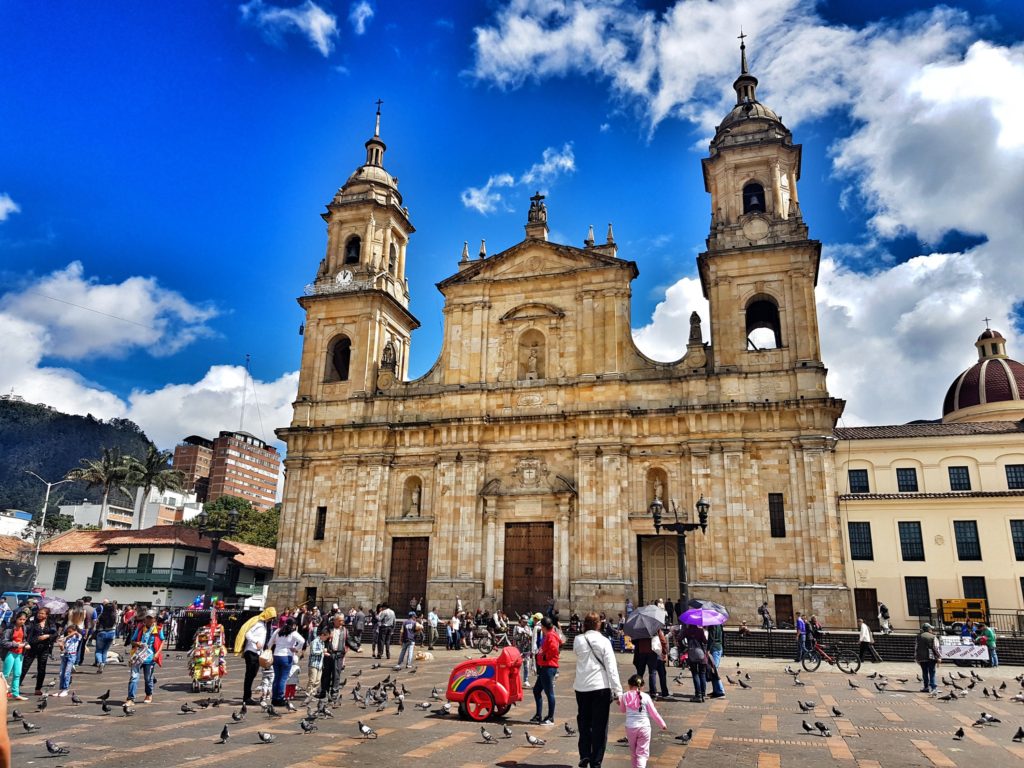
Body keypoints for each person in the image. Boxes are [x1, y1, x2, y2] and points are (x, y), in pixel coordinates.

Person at [574, 610, 623, 768]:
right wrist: (618, 692)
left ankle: (584, 754)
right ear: (598, 624)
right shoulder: (604, 641)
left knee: (584, 722)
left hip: (581, 687)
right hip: (600, 687)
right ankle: (596, 762)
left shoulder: (577, 640)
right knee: (600, 726)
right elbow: (611, 668)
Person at [619, 674, 667, 768]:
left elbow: (623, 710)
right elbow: (654, 713)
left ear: (629, 685)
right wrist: (662, 724)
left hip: (630, 727)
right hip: (644, 727)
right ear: (642, 686)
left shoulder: (624, 696)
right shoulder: (646, 697)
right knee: (642, 753)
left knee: (633, 753)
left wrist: (620, 703)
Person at [235, 606, 275, 705]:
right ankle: (246, 697)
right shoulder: (258, 622)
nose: (271, 620)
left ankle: (247, 696)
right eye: (271, 617)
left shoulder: (264, 624)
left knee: (253, 674)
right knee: (250, 674)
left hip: (257, 652)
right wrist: (256, 641)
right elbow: (247, 633)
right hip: (251, 651)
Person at [126, 610, 163, 705]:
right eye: (147, 617)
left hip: (150, 658)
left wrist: (157, 653)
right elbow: (132, 641)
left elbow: (162, 641)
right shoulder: (140, 628)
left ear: (154, 619)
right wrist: (137, 643)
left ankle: (149, 694)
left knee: (148, 678)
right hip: (138, 656)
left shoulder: (158, 629)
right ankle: (130, 698)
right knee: (134, 677)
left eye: (150, 618)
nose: (148, 620)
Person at [267, 618, 305, 706]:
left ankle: (274, 698)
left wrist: (269, 651)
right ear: (294, 625)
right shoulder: (293, 632)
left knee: (276, 678)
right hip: (287, 656)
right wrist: (296, 649)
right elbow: (302, 641)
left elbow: (270, 642)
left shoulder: (278, 631)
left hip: (276, 655)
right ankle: (280, 698)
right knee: (283, 678)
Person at [20, 606, 56, 696]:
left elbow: (55, 634)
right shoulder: (32, 623)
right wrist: (36, 639)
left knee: (41, 669)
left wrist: (47, 636)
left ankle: (38, 688)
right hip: (32, 648)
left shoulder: (50, 624)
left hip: (44, 649)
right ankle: (15, 687)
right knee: (24, 667)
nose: (40, 615)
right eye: (39, 613)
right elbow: (27, 635)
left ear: (47, 615)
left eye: (42, 613)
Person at [531, 616, 560, 725]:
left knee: (549, 693)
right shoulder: (550, 634)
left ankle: (550, 717)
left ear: (543, 627)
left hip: (548, 667)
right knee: (536, 690)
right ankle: (539, 714)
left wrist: (544, 657)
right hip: (544, 667)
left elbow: (554, 650)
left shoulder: (551, 636)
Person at [1, 612, 29, 700]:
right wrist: (16, 645)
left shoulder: (24, 628)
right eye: (20, 619)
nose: (22, 621)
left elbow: (24, 639)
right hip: (10, 652)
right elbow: (3, 642)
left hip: (20, 653)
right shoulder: (9, 628)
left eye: (24, 619)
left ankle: (15, 693)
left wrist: (26, 644)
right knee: (5, 674)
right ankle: (2, 693)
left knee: (17, 674)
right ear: (16, 619)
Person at [681, 622, 709, 702]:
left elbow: (679, 639)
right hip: (701, 654)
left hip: (691, 654)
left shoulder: (687, 631)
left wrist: (683, 648)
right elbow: (704, 641)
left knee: (695, 673)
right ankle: (703, 694)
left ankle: (698, 695)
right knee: (702, 674)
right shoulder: (700, 630)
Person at [56, 624, 82, 696]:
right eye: (67, 632)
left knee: (67, 673)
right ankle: (61, 689)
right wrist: (61, 646)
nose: (68, 633)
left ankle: (65, 689)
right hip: (65, 655)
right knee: (61, 673)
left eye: (70, 632)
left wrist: (66, 637)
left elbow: (76, 633)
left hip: (72, 655)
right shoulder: (65, 638)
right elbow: (63, 650)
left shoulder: (76, 637)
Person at [915, 623, 941, 692]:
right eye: (931, 629)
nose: (932, 630)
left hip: (921, 657)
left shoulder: (918, 636)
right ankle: (933, 687)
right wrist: (939, 657)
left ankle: (926, 687)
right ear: (929, 629)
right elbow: (936, 648)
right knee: (932, 672)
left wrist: (916, 658)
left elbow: (916, 648)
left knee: (925, 672)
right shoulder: (933, 637)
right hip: (931, 657)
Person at [94, 599, 118, 674]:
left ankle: (100, 662)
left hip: (102, 632)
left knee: (98, 650)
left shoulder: (102, 615)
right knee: (105, 651)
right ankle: (103, 663)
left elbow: (97, 623)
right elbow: (116, 624)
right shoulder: (115, 615)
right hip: (111, 633)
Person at [707, 622, 726, 698]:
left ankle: (720, 691)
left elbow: (712, 638)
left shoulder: (712, 625)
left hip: (714, 648)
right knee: (713, 670)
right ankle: (716, 691)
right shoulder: (719, 624)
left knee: (714, 670)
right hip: (718, 647)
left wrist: (708, 649)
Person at [514, 615, 534, 684]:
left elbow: (531, 636)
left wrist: (528, 634)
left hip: (527, 648)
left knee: (526, 665)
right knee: (517, 665)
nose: (525, 623)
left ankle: (526, 680)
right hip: (519, 649)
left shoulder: (528, 627)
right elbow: (514, 638)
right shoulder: (516, 627)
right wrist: (520, 634)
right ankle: (516, 679)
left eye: (526, 622)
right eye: (524, 622)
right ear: (521, 621)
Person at [307, 626, 327, 693]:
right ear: (322, 635)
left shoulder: (322, 642)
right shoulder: (315, 641)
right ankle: (309, 693)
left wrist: (324, 653)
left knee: (318, 680)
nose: (326, 639)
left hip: (320, 664)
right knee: (312, 680)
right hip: (313, 663)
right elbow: (313, 652)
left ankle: (313, 693)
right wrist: (322, 651)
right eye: (326, 637)